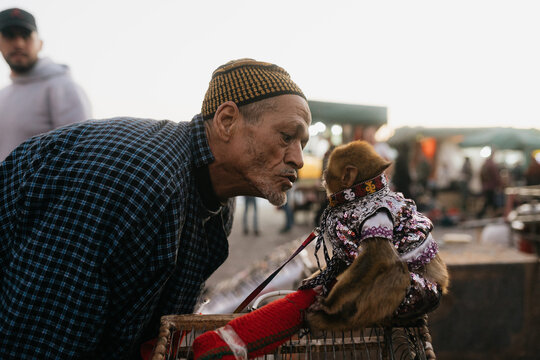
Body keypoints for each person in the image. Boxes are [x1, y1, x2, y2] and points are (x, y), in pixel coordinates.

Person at [0, 58, 311, 359]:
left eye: (302, 144)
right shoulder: (138, 178)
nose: (297, 159)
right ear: (226, 121)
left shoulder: (217, 203)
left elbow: (151, 330)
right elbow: (40, 338)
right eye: (287, 137)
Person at [0, 7, 91, 161]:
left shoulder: (62, 87)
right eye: (10, 36)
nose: (19, 44)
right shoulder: (3, 94)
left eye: (26, 35)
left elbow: (80, 154)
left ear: (40, 43)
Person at [477, 150, 502, 218]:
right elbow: (496, 176)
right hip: (491, 186)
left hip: (486, 186)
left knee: (489, 201)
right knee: (490, 202)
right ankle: (481, 215)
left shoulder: (485, 164)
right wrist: (499, 184)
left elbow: (480, 175)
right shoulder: (492, 164)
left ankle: (492, 215)